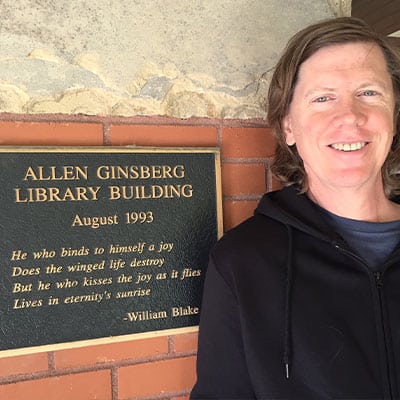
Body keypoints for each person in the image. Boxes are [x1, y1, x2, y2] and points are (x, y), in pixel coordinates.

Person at [190, 16, 400, 399]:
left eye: (369, 93)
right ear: (288, 126)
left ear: (395, 115)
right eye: (323, 98)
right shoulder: (243, 262)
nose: (350, 116)